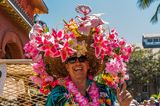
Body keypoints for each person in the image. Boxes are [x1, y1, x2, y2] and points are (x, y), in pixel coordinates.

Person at [24, 4, 133, 106]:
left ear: (88, 64)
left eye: (82, 58)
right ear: (66, 66)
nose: (77, 62)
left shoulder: (104, 91)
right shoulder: (57, 95)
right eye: (71, 59)